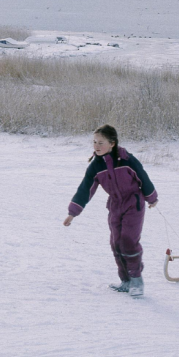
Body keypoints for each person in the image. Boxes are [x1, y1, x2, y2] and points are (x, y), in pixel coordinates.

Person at [63, 125, 158, 298]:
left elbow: (143, 177)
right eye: (94, 142)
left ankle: (136, 279)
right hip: (115, 205)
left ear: (112, 144)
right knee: (116, 243)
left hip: (133, 203)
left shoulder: (127, 160)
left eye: (101, 142)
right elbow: (85, 188)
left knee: (128, 240)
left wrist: (151, 198)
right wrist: (73, 212)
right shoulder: (96, 166)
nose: (96, 146)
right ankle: (126, 280)